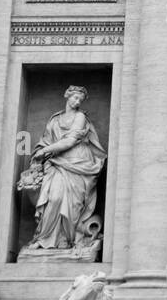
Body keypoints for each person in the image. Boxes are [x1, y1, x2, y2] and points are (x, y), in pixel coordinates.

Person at [25, 86, 106, 252]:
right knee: (53, 198)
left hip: (78, 163)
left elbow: (70, 141)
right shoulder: (55, 120)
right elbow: (45, 141)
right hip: (57, 162)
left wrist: (44, 151)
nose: (77, 102)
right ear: (67, 96)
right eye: (75, 98)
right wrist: (40, 152)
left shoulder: (80, 117)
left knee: (73, 205)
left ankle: (65, 241)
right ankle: (44, 239)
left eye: (80, 100)